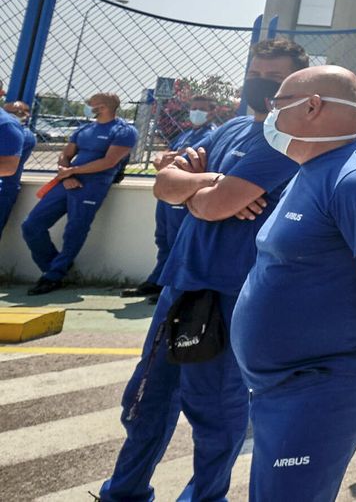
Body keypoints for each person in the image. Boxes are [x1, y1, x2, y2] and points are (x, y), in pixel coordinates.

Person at [99, 38, 308, 502]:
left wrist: (200, 192)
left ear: (294, 85)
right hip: (182, 281)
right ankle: (124, 493)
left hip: (232, 293)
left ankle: (206, 497)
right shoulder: (232, 129)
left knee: (214, 411)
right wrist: (214, 183)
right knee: (146, 399)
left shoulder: (287, 143)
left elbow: (211, 206)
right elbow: (165, 185)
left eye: (274, 78)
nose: (261, 83)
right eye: (256, 74)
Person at [232, 65, 356, 502]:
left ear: (312, 107)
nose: (270, 114)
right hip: (288, 387)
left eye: (278, 104)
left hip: (321, 389)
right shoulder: (315, 167)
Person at [22, 91, 138, 294]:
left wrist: (73, 171)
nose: (87, 107)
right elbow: (65, 155)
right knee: (31, 225)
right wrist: (67, 176)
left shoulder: (124, 131)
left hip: (92, 187)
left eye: (90, 103)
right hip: (67, 183)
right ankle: (54, 267)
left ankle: (53, 276)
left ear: (103, 107)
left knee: (75, 230)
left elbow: (109, 161)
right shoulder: (84, 129)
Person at [124, 94, 222, 299]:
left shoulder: (212, 135)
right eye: (193, 107)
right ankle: (158, 280)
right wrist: (165, 159)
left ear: (212, 112)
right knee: (164, 237)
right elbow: (164, 157)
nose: (196, 112)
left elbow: (191, 162)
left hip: (185, 193)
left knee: (179, 239)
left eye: (202, 108)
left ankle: (174, 286)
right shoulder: (185, 135)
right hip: (169, 192)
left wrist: (171, 161)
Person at [0, 100, 35, 239]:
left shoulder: (13, 129)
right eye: (8, 111)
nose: (11, 114)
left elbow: (8, 166)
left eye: (16, 112)